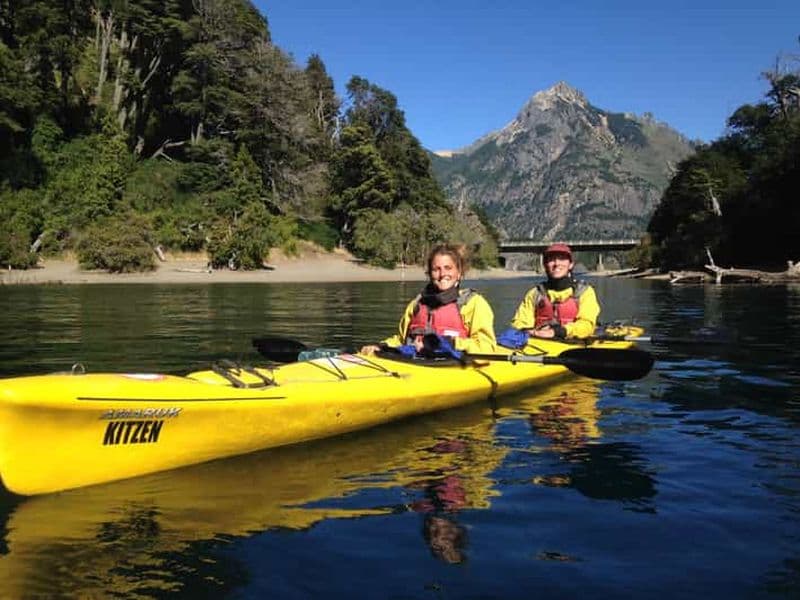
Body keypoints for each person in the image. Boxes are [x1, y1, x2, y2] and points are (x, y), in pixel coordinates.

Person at [360, 244, 496, 357]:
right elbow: (401, 340)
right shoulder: (416, 304)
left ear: (459, 273)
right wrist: (381, 346)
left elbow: (486, 347)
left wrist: (449, 343)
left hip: (453, 367)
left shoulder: (473, 304)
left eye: (448, 268)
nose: (442, 274)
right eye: (436, 269)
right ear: (430, 274)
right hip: (416, 363)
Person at [500, 243, 599, 345]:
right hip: (540, 344)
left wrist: (555, 332)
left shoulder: (584, 292)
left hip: (574, 344)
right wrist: (530, 331)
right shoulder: (535, 293)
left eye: (562, 259)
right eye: (551, 259)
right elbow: (520, 323)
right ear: (545, 265)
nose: (556, 263)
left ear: (571, 264)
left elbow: (587, 325)